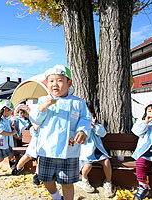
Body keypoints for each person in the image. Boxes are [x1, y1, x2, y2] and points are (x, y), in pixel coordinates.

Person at [29, 65, 92, 200]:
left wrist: (82, 131)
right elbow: (34, 119)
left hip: (69, 151)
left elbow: (86, 119)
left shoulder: (78, 103)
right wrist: (43, 107)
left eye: (59, 80)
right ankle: (57, 197)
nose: (54, 84)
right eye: (51, 81)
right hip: (47, 149)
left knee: (68, 183)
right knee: (45, 178)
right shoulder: (42, 100)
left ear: (69, 83)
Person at [77, 102, 113, 198]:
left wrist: (95, 126)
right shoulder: (80, 127)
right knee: (87, 165)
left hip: (97, 150)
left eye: (90, 114)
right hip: (85, 152)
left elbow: (103, 133)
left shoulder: (97, 125)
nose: (88, 116)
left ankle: (108, 183)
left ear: (93, 114)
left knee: (106, 162)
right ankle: (84, 180)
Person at [131, 99, 152, 200]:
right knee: (139, 164)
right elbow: (136, 131)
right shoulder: (144, 124)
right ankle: (143, 185)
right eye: (149, 111)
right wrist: (145, 122)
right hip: (146, 154)